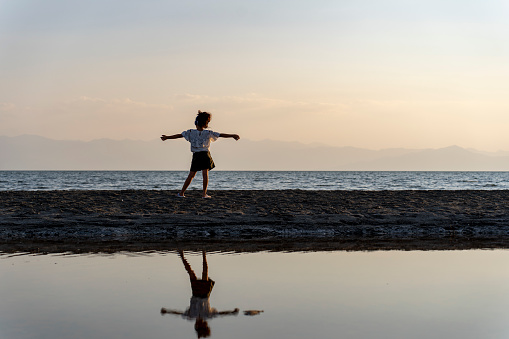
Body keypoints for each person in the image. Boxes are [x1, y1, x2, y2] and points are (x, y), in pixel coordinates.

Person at [161, 110, 240, 198]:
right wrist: (233, 135)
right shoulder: (208, 132)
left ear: (196, 123)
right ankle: (204, 194)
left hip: (196, 155)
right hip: (205, 155)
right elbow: (221, 135)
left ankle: (181, 193)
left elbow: (179, 135)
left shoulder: (190, 132)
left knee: (191, 175)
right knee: (205, 174)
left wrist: (167, 137)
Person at [161, 250, 239, 338]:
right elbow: (220, 314)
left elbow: (178, 313)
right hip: (203, 293)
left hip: (197, 293)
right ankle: (202, 253)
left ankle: (186, 255)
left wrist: (167, 311)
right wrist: (231, 312)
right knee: (199, 272)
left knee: (194, 272)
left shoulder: (192, 315)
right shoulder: (205, 315)